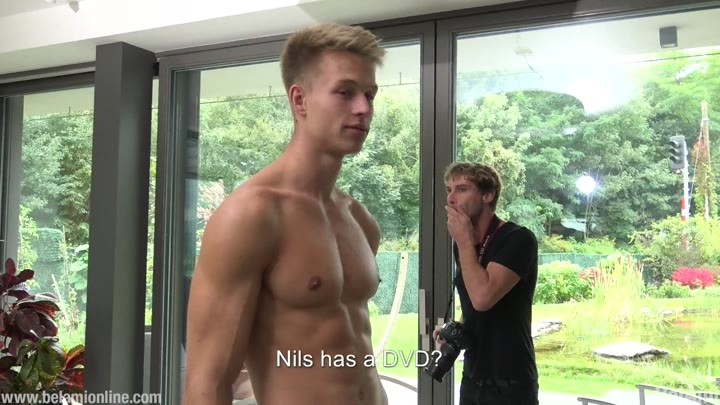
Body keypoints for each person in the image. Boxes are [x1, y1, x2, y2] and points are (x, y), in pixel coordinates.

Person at [182, 22, 388, 405]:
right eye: (345, 92)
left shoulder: (359, 220)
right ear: (300, 100)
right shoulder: (252, 216)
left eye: (369, 94)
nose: (363, 108)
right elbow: (207, 383)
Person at [434, 162, 539, 405]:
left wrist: (463, 242)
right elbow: (474, 302)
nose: (451, 198)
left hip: (511, 381)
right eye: (448, 190)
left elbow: (483, 298)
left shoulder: (518, 239)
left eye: (461, 189)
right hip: (473, 376)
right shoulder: (465, 246)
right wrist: (459, 328)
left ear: (487, 195)